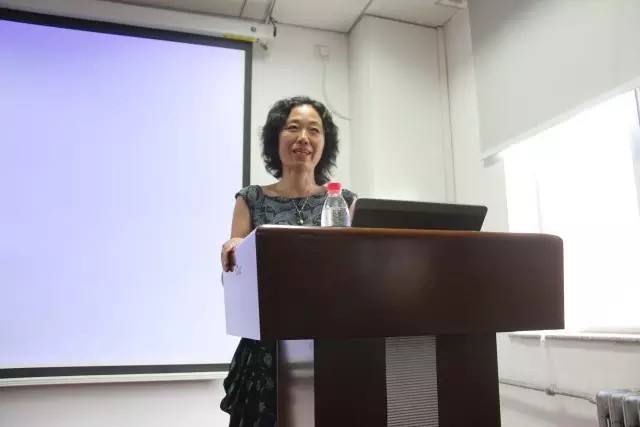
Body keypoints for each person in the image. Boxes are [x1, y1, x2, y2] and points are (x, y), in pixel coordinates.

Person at [219, 96, 356, 426]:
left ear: (325, 143)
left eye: (314, 130)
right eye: (293, 128)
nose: (303, 138)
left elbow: (353, 275)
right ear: (275, 138)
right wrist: (234, 249)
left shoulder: (344, 202)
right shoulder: (250, 199)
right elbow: (233, 279)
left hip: (328, 348)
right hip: (264, 353)